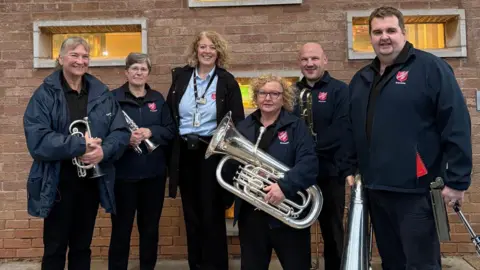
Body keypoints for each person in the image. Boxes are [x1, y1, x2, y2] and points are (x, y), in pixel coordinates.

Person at [342, 6, 472, 269]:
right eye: (377, 32)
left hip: (417, 193)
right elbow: (352, 129)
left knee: (421, 264)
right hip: (375, 190)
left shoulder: (431, 68)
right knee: (392, 263)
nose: (384, 37)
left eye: (391, 30)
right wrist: (351, 167)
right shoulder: (361, 79)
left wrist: (457, 181)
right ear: (370, 37)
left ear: (404, 32)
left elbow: (456, 123)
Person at [23, 37, 130, 270]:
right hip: (58, 182)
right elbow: (37, 139)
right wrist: (79, 145)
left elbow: (121, 132)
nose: (80, 61)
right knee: (55, 247)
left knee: (83, 247)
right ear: (61, 58)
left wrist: (104, 151)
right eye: (74, 55)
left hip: (90, 184)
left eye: (84, 56)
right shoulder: (44, 95)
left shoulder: (101, 93)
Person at [165, 30, 245, 270]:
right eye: (203, 47)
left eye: (212, 47)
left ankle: (216, 265)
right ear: (195, 50)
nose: (207, 51)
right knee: (191, 215)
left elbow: (237, 122)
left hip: (212, 153)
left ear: (218, 52)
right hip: (185, 153)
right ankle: (196, 265)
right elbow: (170, 114)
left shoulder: (227, 80)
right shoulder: (180, 77)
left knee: (211, 214)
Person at [232, 74, 318, 270]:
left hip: (287, 214)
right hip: (252, 215)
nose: (268, 98)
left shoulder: (297, 126)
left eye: (274, 94)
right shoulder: (244, 127)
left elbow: (309, 164)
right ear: (256, 97)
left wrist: (284, 187)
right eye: (263, 93)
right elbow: (232, 166)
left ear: (283, 98)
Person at [108, 53, 175, 270]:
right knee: (121, 230)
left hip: (153, 175)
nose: (139, 73)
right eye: (134, 68)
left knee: (149, 230)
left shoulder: (157, 99)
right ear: (126, 72)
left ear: (148, 73)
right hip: (123, 176)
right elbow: (104, 133)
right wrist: (125, 139)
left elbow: (170, 130)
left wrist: (150, 131)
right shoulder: (113, 98)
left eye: (143, 69)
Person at [294, 42, 349, 270]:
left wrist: (308, 150)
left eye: (314, 59)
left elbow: (341, 130)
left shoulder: (339, 90)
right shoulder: (292, 92)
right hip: (299, 173)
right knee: (297, 230)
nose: (310, 63)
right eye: (305, 59)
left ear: (325, 60)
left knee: (333, 230)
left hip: (330, 172)